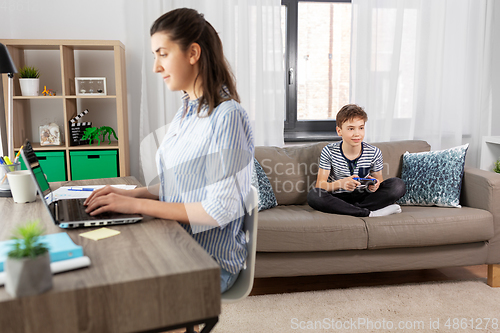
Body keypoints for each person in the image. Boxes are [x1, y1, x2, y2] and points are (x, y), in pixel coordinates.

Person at [84, 8, 254, 294]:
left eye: (162, 53)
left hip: (206, 261)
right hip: (176, 243)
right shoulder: (187, 111)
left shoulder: (227, 116)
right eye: (155, 56)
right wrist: (130, 194)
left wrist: (135, 206)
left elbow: (219, 210)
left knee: (110, 287)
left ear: (193, 53)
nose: (156, 67)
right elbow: (186, 183)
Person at [307, 104, 405, 217]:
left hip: (364, 195)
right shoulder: (329, 151)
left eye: (361, 128)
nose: (357, 133)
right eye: (351, 129)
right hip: (338, 197)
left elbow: (380, 182)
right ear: (339, 131)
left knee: (398, 185)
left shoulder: (374, 152)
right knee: (314, 195)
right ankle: (368, 213)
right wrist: (341, 184)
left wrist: (374, 186)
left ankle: (352, 210)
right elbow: (320, 185)